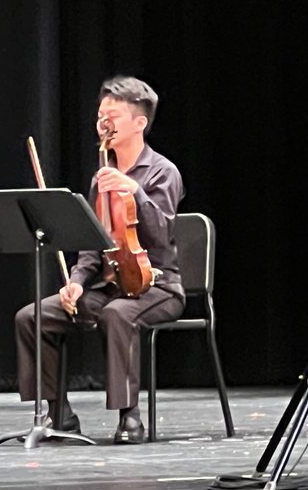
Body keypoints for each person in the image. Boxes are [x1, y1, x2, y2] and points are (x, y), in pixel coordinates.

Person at [14, 76, 185, 444]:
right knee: (32, 317)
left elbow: (162, 232)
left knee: (117, 314)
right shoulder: (102, 178)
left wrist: (135, 191)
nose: (105, 123)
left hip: (156, 287)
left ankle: (130, 417)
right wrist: (76, 281)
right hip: (109, 287)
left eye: (114, 116)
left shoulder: (161, 172)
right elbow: (94, 246)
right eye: (101, 115)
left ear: (139, 123)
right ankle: (59, 413)